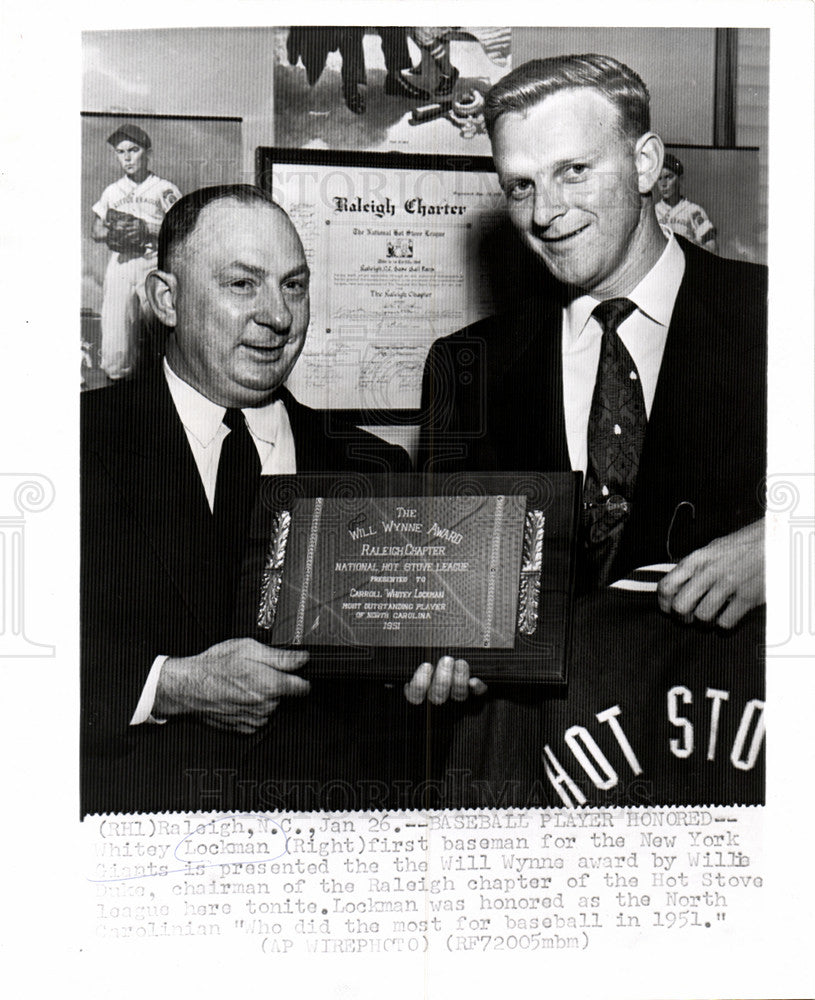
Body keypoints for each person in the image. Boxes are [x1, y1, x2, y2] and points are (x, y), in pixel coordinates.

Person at [410, 55, 766, 804]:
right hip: (547, 783)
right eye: (520, 185)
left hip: (736, 767)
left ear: (644, 163)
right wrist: (431, 644)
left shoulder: (781, 319)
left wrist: (795, 542)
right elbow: (446, 584)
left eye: (572, 170)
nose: (544, 211)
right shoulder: (464, 367)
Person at [81, 184, 415, 814]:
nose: (279, 316)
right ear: (165, 299)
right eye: (242, 285)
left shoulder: (375, 468)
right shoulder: (67, 447)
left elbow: (391, 697)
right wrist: (170, 686)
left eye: (294, 285)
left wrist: (436, 678)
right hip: (135, 853)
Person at [91, 124, 181, 380]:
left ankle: (166, 392)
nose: (127, 157)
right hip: (121, 264)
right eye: (121, 152)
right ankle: (117, 391)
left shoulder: (163, 188)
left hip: (152, 264)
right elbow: (96, 230)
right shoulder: (112, 191)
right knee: (116, 338)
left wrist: (147, 228)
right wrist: (115, 234)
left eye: (134, 150)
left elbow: (180, 228)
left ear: (147, 152)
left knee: (160, 332)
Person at [655, 152, 718, 252]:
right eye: (659, 178)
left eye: (669, 177)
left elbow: (712, 248)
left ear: (680, 179)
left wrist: (692, 248)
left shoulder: (693, 210)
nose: (663, 184)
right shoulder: (653, 212)